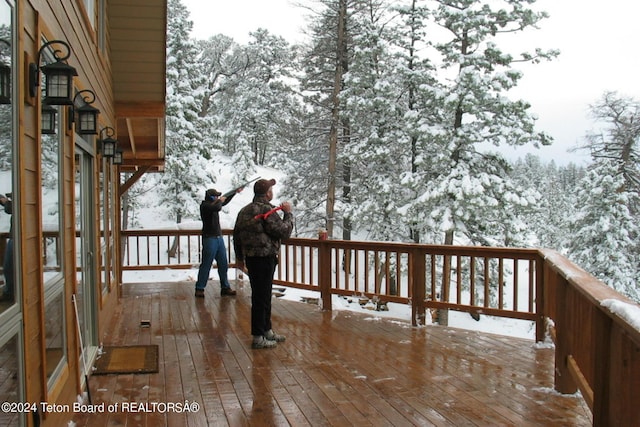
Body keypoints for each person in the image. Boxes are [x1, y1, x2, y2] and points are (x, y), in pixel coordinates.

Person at [233, 179, 294, 349]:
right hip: (265, 259)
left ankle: (266, 330)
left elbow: (236, 236)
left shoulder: (244, 211)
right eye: (271, 189)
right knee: (261, 297)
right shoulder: (267, 210)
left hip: (252, 259)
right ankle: (258, 336)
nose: (272, 191)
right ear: (267, 193)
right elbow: (284, 231)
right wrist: (288, 213)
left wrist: (239, 258)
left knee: (263, 295)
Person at [194, 188, 239, 298]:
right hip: (209, 238)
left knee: (223, 264)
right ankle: (200, 288)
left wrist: (234, 193)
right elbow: (218, 206)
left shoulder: (214, 204)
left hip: (218, 238)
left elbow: (223, 203)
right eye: (216, 196)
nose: (218, 198)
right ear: (211, 197)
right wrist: (220, 201)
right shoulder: (205, 206)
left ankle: (225, 287)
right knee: (206, 264)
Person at [0, 193, 12, 303]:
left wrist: (5, 202)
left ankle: (9, 294)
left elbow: (11, 209)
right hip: (15, 237)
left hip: (16, 238)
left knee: (8, 268)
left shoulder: (19, 202)